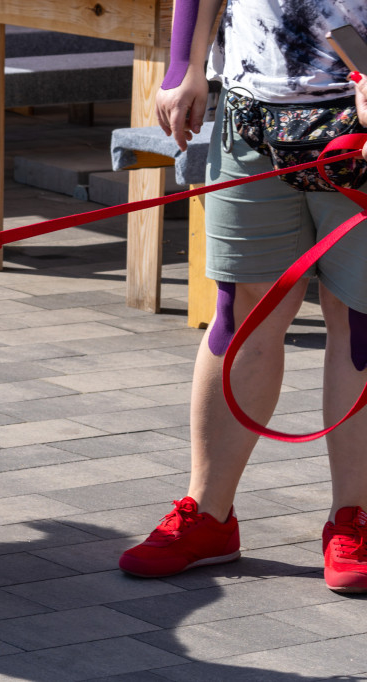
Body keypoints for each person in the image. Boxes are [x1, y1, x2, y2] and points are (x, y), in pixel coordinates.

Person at [118, 0, 367, 593]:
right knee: (242, 316)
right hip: (248, 113)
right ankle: (208, 515)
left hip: (356, 122)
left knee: (360, 320)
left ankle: (355, 517)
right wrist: (185, 62)